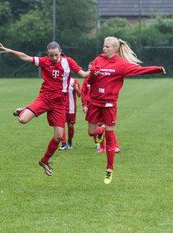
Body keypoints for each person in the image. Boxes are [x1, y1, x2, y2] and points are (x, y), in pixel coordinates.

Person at [0, 42, 88, 176]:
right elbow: (26, 57)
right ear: (47, 54)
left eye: (56, 55)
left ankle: (44, 161)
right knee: (22, 120)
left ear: (60, 51)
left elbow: (84, 74)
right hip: (44, 99)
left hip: (59, 104)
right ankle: (26, 109)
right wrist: (11, 51)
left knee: (58, 137)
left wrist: (97, 70)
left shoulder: (68, 62)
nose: (54, 58)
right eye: (51, 56)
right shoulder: (44, 61)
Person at [86, 36, 166, 184]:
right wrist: (93, 74)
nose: (104, 49)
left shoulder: (121, 64)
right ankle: (100, 130)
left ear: (115, 49)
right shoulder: (98, 60)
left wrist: (157, 69)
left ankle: (109, 169)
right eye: (104, 46)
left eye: (107, 47)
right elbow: (89, 81)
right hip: (95, 102)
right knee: (91, 132)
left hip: (109, 104)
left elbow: (139, 70)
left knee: (110, 135)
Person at [81, 62, 120, 153]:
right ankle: (102, 147)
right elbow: (83, 94)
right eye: (89, 70)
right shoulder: (86, 81)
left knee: (107, 126)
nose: (90, 71)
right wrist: (84, 105)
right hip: (91, 106)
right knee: (95, 128)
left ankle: (115, 146)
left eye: (92, 70)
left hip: (101, 104)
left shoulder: (101, 79)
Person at [59, 77, 81, 150]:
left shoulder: (74, 81)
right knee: (61, 125)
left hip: (71, 107)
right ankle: (63, 143)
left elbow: (79, 94)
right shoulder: (59, 79)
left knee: (71, 126)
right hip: (60, 106)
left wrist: (75, 87)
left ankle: (70, 141)